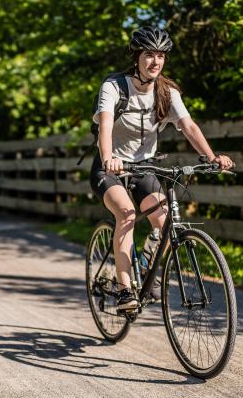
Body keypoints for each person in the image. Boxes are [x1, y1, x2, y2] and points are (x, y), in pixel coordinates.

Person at [91, 26, 235, 313]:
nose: (155, 61)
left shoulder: (166, 92)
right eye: (148, 55)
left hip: (144, 168)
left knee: (165, 221)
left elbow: (188, 125)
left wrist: (211, 156)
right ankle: (124, 290)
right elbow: (105, 125)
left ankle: (146, 268)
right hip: (111, 169)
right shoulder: (114, 86)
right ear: (137, 57)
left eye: (160, 55)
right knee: (127, 214)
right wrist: (109, 157)